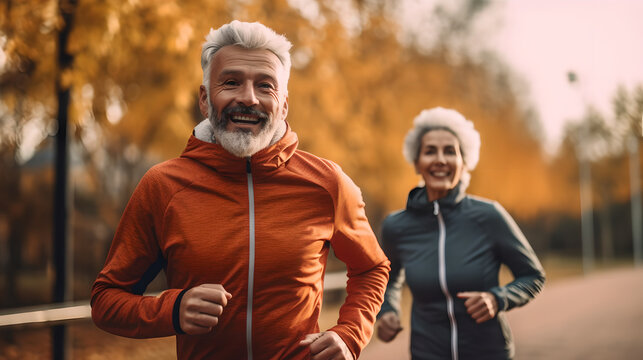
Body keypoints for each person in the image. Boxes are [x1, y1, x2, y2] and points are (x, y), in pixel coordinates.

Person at [91, 20, 390, 360]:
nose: (248, 98)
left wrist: (351, 335)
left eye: (265, 86)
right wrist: (173, 310)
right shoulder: (163, 187)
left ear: (284, 104)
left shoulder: (327, 183)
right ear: (205, 99)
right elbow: (106, 300)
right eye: (231, 82)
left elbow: (372, 268)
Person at [375, 107, 545, 359]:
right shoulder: (397, 226)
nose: (440, 159)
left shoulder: (489, 216)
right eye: (430, 151)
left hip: (488, 352)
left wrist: (498, 298)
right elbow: (386, 278)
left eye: (450, 151)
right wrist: (387, 310)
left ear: (464, 163)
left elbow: (532, 276)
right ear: (417, 163)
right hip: (426, 352)